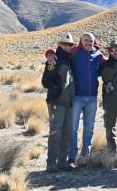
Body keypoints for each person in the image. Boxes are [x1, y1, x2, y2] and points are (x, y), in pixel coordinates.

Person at [47, 32, 106, 165]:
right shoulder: (74, 52)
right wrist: (49, 53)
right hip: (76, 97)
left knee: (89, 128)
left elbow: (111, 61)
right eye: (85, 40)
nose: (88, 43)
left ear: (94, 41)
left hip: (92, 97)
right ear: (80, 41)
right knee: (72, 128)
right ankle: (72, 155)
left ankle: (85, 155)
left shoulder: (98, 55)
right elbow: (58, 51)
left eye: (91, 41)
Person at [41, 33, 76, 172]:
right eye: (66, 44)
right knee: (56, 133)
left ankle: (62, 162)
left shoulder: (69, 59)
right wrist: (56, 89)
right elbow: (45, 81)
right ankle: (51, 163)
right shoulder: (54, 59)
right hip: (57, 102)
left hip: (69, 102)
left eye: (70, 44)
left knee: (67, 132)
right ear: (60, 45)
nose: (68, 46)